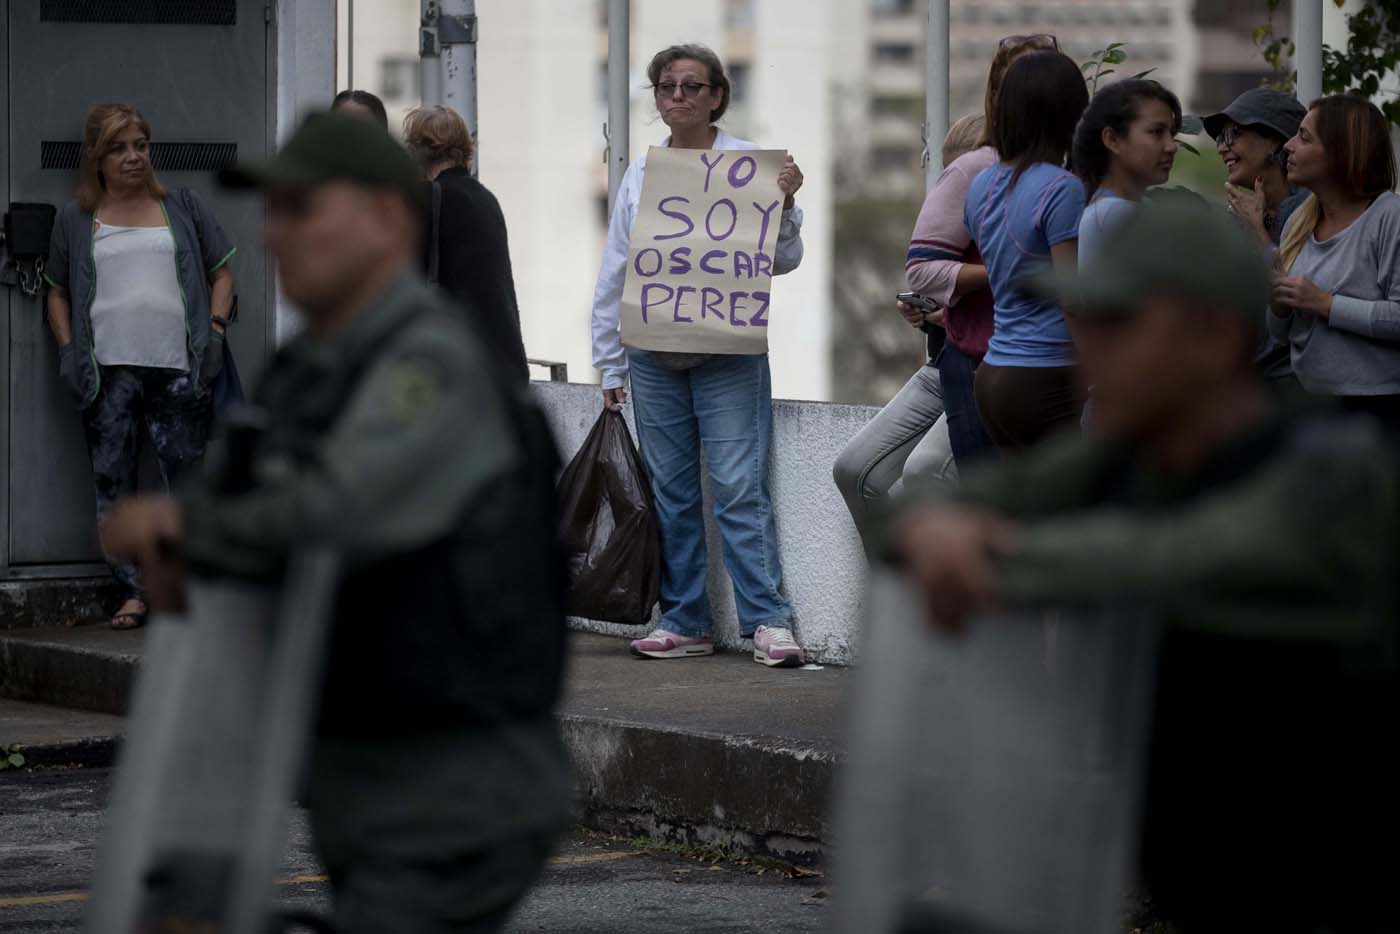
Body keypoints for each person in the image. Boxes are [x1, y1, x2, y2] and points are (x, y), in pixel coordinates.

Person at [100, 113, 572, 932]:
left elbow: (342, 503)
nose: (276, 234)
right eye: (274, 211)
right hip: (361, 767)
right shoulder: (312, 367)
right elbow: (247, 482)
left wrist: (190, 531)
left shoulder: (433, 362)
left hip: (456, 785)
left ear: (387, 219)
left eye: (304, 208)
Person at [883, 201, 1399, 933]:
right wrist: (929, 525)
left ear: (1215, 337)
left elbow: (1181, 552)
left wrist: (991, 552)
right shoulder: (1122, 456)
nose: (1087, 344)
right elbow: (913, 506)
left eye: (1121, 322)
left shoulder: (1333, 468)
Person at [590, 44, 807, 667]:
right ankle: (685, 619)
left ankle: (767, 619)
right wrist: (608, 360)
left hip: (728, 355)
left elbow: (784, 261)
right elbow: (617, 270)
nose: (677, 96)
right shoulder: (640, 173)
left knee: (739, 486)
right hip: (652, 354)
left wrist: (785, 208)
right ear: (656, 98)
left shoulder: (750, 165)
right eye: (666, 87)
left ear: (717, 95)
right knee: (672, 492)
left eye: (691, 86)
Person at [44, 103, 236, 631]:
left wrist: (215, 331)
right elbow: (57, 293)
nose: (133, 158)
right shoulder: (76, 218)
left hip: (179, 369)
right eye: (119, 148)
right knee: (114, 483)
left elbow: (224, 274)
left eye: (140, 146)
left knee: (185, 484)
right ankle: (131, 592)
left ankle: (184, 592)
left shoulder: (183, 207)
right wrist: (67, 351)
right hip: (107, 374)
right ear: (97, 158)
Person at [832, 113, 983, 534]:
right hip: (943, 363)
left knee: (925, 472)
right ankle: (895, 592)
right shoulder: (950, 222)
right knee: (853, 470)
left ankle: (934, 593)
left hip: (985, 373)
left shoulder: (1012, 219)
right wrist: (930, 316)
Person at [964, 50, 1089, 451]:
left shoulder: (981, 184)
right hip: (1046, 375)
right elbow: (1072, 298)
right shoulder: (1061, 188)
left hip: (994, 374)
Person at [1270, 95, 1400, 429]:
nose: (1288, 145)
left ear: (1342, 150)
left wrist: (1325, 304)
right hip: (1307, 403)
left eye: (1304, 137)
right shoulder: (1299, 220)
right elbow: (1281, 334)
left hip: (1375, 411)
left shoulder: (1388, 216)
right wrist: (1280, 306)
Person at [404, 104, 529, 381]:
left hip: (454, 365)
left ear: (418, 151)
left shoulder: (425, 200)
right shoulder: (486, 198)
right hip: (502, 361)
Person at [1203, 87, 1309, 384]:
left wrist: (1257, 235)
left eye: (1233, 134)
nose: (1222, 148)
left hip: (1294, 390)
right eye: (1220, 139)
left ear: (1275, 139)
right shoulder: (1236, 217)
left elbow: (1298, 300)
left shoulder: (1313, 212)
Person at [1073, 79, 1181, 265]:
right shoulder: (1115, 215)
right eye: (1157, 132)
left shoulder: (1127, 208)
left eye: (1171, 133)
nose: (1171, 146)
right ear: (1112, 139)